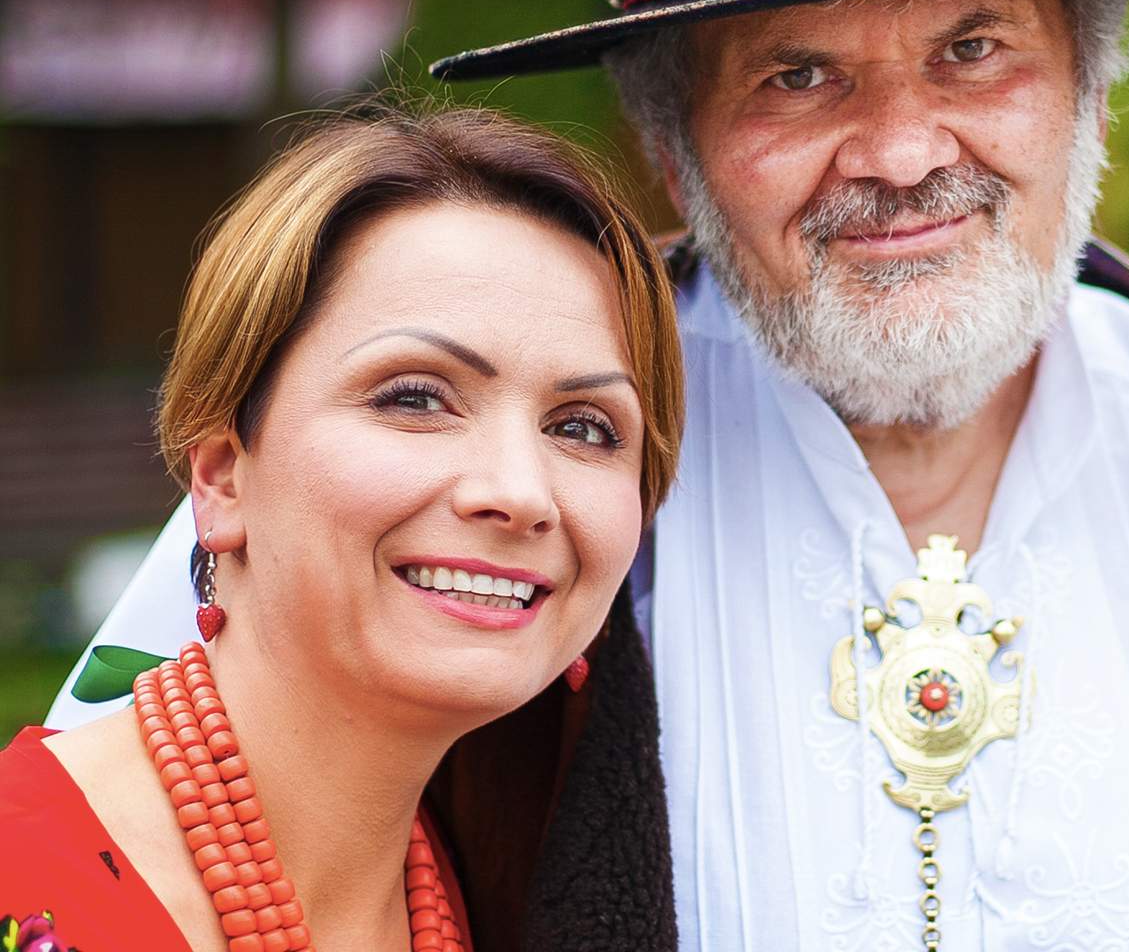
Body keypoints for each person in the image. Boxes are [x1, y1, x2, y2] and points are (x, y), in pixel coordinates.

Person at [54, 0, 1129, 950]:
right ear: (674, 157)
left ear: (1090, 96)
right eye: (796, 78)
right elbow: (112, 837)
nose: (906, 153)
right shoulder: (499, 468)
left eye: (976, 52)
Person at [7, 105, 684, 950]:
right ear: (221, 477)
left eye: (584, 426)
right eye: (415, 397)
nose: (520, 492)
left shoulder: (516, 901)